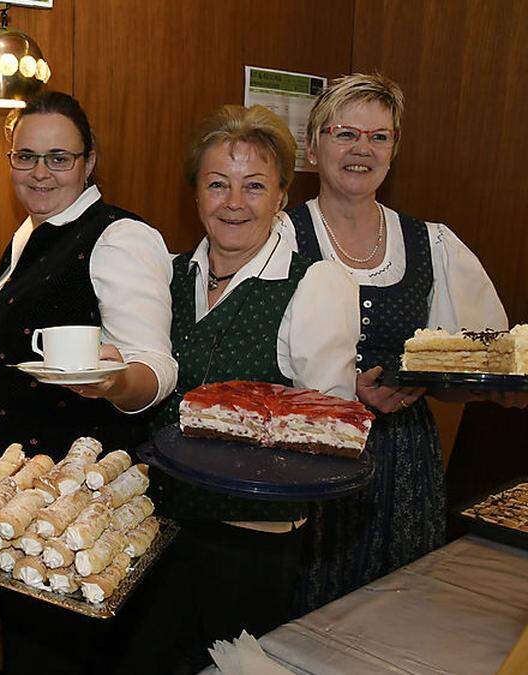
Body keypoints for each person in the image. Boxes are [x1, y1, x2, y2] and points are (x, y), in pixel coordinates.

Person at [280, 73, 516, 613]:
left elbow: (467, 363)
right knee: (305, 613)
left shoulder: (432, 243)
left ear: (394, 150)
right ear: (313, 147)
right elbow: (245, 358)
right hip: (307, 457)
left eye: (379, 136)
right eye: (345, 133)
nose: (362, 148)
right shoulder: (278, 236)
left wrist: (482, 387)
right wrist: (344, 394)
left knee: (397, 617)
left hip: (403, 464)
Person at [0, 91, 177, 674]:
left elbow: (157, 369)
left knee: (67, 657)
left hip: (79, 503)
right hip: (22, 487)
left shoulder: (120, 237)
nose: (40, 172)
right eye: (25, 156)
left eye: (59, 158)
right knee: (30, 646)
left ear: (89, 161)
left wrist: (112, 383)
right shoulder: (29, 234)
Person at [151, 104, 360, 669]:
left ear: (281, 196)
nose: (234, 202)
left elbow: (327, 432)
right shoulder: (168, 275)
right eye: (217, 184)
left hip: (250, 539)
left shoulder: (314, 283)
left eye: (254, 186)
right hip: (155, 527)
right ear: (196, 192)